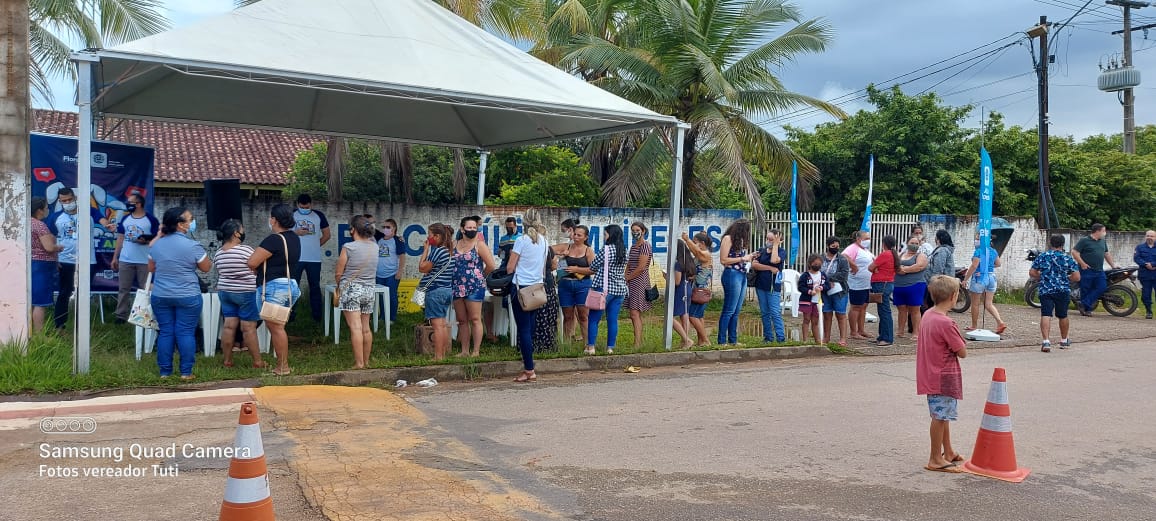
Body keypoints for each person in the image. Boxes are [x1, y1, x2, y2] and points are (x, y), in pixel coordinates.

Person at [149, 207, 210, 379]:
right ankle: (186, 372)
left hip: (161, 295)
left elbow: (151, 268)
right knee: (185, 332)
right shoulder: (193, 246)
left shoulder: (156, 245)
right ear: (181, 225)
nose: (192, 223)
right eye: (190, 220)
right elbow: (206, 268)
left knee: (166, 331)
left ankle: (165, 372)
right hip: (188, 295)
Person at [916, 275, 968, 473]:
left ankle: (948, 451)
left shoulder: (928, 314)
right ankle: (935, 457)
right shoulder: (946, 323)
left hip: (931, 372)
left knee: (943, 414)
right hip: (943, 375)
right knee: (939, 417)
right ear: (954, 296)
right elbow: (962, 352)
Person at [46, 187, 114, 330]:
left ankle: (81, 327)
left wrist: (108, 225)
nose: (67, 202)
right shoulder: (56, 217)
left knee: (83, 293)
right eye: (64, 201)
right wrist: (55, 259)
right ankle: (59, 325)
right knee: (65, 292)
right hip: (65, 260)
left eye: (70, 199)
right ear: (60, 201)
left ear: (75, 198)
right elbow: (51, 239)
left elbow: (101, 220)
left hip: (87, 260)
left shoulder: (88, 211)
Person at [248, 204, 302, 376]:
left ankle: (283, 367)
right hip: (289, 285)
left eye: (271, 217)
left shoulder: (273, 240)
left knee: (276, 328)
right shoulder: (294, 238)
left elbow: (252, 262)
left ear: (274, 220)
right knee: (279, 327)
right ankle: (282, 364)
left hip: (275, 288)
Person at [213, 219, 265, 369]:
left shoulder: (219, 253)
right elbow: (256, 266)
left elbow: (220, 271)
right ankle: (257, 362)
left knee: (229, 327)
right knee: (248, 328)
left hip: (225, 292)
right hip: (246, 292)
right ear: (236, 233)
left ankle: (227, 361)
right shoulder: (246, 250)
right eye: (241, 229)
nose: (243, 232)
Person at [507, 210, 552, 381]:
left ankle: (529, 369)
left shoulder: (521, 240)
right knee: (530, 328)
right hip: (537, 288)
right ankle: (529, 362)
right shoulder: (544, 241)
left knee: (524, 330)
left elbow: (511, 267)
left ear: (523, 222)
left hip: (521, 289)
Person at [336, 215, 378, 369]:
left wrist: (340, 287)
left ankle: (359, 363)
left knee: (355, 327)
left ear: (353, 229)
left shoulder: (348, 247)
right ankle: (366, 361)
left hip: (352, 289)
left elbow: (339, 272)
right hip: (369, 289)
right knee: (366, 327)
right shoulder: (375, 246)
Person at [452, 216, 497, 357]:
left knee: (475, 318)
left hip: (475, 286)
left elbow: (491, 265)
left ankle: (476, 350)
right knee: (462, 320)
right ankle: (464, 350)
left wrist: (480, 276)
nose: (472, 230)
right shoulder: (454, 244)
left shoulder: (479, 245)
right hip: (457, 286)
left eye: (474, 228)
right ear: (462, 229)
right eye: (469, 228)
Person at [112, 192, 158, 323]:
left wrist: (146, 241)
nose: (128, 205)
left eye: (130, 202)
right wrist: (115, 257)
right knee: (123, 289)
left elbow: (157, 238)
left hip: (145, 261)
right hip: (126, 260)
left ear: (138, 204)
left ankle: (145, 315)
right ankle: (120, 316)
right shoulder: (125, 219)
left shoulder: (151, 220)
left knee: (146, 289)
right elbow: (120, 238)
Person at [1030, 234, 1080, 352]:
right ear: (1063, 245)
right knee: (1063, 315)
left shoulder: (1043, 256)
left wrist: (1042, 277)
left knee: (1046, 314)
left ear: (1050, 243)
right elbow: (1077, 277)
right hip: (1062, 290)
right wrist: (1066, 279)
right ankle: (1063, 340)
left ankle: (1046, 341)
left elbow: (1032, 272)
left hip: (1045, 289)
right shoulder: (1067, 258)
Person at [587, 224, 628, 355]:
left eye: (605, 234)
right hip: (619, 290)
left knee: (594, 318)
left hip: (604, 290)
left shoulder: (606, 250)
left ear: (611, 235)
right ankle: (610, 347)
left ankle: (591, 347)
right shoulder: (624, 250)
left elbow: (593, 266)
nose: (604, 237)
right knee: (613, 319)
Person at [290, 194, 331, 322]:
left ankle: (317, 316)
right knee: (293, 287)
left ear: (311, 204)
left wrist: (315, 245)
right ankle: (290, 316)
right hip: (296, 258)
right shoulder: (291, 214)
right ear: (297, 204)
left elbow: (327, 234)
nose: (305, 209)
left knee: (315, 287)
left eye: (307, 207)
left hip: (314, 259)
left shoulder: (319, 215)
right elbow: (283, 232)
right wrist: (296, 233)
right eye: (302, 207)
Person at [418, 223, 455, 361]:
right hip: (447, 290)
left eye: (430, 234)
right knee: (442, 324)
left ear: (437, 236)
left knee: (437, 326)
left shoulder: (438, 251)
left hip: (435, 291)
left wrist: (425, 250)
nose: (428, 237)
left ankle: (438, 356)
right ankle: (443, 354)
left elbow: (422, 268)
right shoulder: (450, 250)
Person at [30, 197, 64, 333]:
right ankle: (39, 335)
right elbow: (49, 247)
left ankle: (30, 331)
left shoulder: (25, 223)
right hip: (41, 266)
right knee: (40, 302)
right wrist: (59, 247)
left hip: (31, 264)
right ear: (39, 210)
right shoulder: (39, 225)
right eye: (45, 208)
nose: (47, 210)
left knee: (32, 300)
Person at [717, 219, 753, 346]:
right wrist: (742, 258)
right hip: (731, 274)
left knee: (736, 310)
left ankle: (733, 340)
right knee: (729, 309)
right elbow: (723, 260)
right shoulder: (728, 239)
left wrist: (749, 258)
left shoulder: (740, 241)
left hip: (742, 274)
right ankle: (721, 340)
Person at [557, 224, 594, 345]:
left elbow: (593, 269)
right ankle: (566, 345)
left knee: (583, 316)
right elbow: (555, 261)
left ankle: (588, 344)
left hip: (583, 284)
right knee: (567, 316)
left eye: (579, 235)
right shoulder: (566, 247)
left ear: (585, 237)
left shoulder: (588, 250)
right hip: (565, 285)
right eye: (575, 234)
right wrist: (562, 257)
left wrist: (577, 269)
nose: (576, 237)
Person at [963, 233, 1007, 333]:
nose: (976, 240)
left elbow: (974, 266)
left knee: (975, 303)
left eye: (977, 238)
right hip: (991, 277)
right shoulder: (993, 251)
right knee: (988, 303)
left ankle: (974, 325)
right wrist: (987, 268)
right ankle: (1000, 322)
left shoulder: (978, 251)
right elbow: (998, 264)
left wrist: (965, 279)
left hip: (980, 277)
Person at [1072, 223, 1119, 317]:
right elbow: (1074, 252)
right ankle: (1086, 310)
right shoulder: (1084, 241)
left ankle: (1084, 303)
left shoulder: (1102, 241)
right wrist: (1082, 263)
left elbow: (1107, 254)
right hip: (1086, 270)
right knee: (1086, 289)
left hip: (1099, 270)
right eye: (1103, 231)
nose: (1105, 233)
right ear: (1097, 231)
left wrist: (1113, 265)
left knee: (1102, 287)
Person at [751, 229, 786, 343]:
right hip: (761, 285)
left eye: (772, 239)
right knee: (764, 312)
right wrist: (770, 268)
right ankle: (768, 337)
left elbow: (774, 260)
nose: (768, 241)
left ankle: (780, 337)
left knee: (775, 312)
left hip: (773, 287)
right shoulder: (761, 250)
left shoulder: (781, 252)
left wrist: (775, 246)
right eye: (767, 238)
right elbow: (754, 265)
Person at [682, 231, 714, 346]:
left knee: (693, 316)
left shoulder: (705, 254)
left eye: (696, 242)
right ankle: (701, 340)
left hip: (701, 290)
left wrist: (687, 240)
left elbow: (697, 252)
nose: (694, 245)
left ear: (702, 243)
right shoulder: (701, 255)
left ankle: (705, 339)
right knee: (699, 316)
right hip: (697, 288)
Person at [895, 236, 930, 338]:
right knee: (901, 309)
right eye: (912, 243)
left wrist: (904, 270)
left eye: (916, 243)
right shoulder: (900, 254)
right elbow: (894, 265)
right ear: (907, 243)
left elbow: (919, 266)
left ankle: (916, 332)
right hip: (899, 285)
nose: (914, 245)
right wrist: (899, 269)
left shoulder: (921, 255)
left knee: (915, 309)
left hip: (915, 285)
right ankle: (900, 331)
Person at [625, 221, 653, 348]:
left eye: (637, 230)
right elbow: (630, 264)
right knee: (633, 313)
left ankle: (637, 343)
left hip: (639, 281)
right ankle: (636, 341)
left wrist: (629, 277)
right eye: (633, 230)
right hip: (631, 281)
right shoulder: (633, 246)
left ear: (643, 231)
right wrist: (625, 277)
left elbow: (641, 267)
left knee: (635, 313)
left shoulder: (645, 246)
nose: (635, 233)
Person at [843, 231, 875, 341]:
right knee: (856, 307)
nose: (868, 240)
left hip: (866, 284)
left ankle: (861, 330)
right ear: (858, 239)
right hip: (857, 284)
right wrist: (853, 265)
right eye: (866, 238)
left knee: (864, 306)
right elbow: (844, 256)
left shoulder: (865, 250)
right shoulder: (853, 248)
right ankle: (853, 332)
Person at [868, 235, 898, 346]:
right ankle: (882, 336)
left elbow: (870, 267)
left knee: (884, 311)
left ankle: (887, 338)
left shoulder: (885, 254)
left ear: (884, 243)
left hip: (882, 284)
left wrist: (876, 270)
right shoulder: (893, 254)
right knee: (883, 311)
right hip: (887, 283)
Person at [821, 236, 851, 347]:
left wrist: (829, 279)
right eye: (833, 246)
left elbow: (844, 274)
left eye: (837, 246)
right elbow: (816, 272)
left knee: (841, 314)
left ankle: (843, 339)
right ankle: (826, 337)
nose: (835, 248)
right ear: (828, 246)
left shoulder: (842, 259)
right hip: (825, 291)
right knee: (827, 314)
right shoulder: (821, 258)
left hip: (840, 291)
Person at [374, 218, 406, 323]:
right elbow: (369, 226)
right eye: (384, 227)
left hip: (392, 274)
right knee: (381, 297)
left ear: (394, 229)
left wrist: (400, 271)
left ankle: (392, 318)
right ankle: (382, 316)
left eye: (388, 227)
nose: (385, 229)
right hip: (379, 274)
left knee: (392, 296)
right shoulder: (379, 238)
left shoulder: (398, 240)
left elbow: (402, 256)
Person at [669, 241, 696, 348]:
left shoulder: (678, 264)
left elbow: (676, 281)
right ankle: (685, 340)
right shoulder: (689, 261)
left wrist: (667, 277)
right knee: (684, 315)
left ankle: (686, 339)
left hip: (680, 291)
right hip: (687, 288)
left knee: (670, 317)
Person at [797, 254, 827, 344]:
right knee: (806, 319)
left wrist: (822, 288)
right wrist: (809, 291)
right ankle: (805, 340)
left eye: (819, 264)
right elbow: (800, 287)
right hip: (807, 300)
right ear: (810, 264)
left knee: (815, 321)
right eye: (815, 263)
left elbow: (828, 285)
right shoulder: (805, 276)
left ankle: (817, 340)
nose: (817, 265)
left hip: (818, 301)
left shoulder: (823, 275)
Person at [1135, 230, 1156, 319]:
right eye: (1148, 236)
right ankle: (1149, 311)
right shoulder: (1139, 247)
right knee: (1146, 295)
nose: (1149, 238)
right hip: (1145, 275)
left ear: (1155, 237)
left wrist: (1154, 265)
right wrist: (1146, 264)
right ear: (1145, 236)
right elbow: (1136, 258)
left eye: (1151, 236)